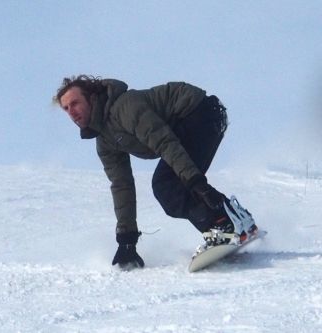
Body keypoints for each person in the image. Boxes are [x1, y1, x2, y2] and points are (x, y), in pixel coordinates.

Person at [53, 75, 256, 269]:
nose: (71, 112)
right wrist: (127, 241)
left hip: (198, 112)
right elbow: (121, 185)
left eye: (75, 103)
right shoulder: (104, 141)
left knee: (167, 186)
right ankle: (236, 220)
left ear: (91, 97)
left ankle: (223, 227)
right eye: (66, 108)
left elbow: (163, 142)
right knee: (170, 185)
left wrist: (195, 181)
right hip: (197, 121)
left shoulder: (124, 107)